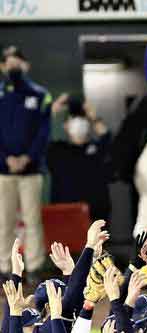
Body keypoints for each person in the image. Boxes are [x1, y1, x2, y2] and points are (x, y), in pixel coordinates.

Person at [0, 46, 51, 281]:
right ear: (2, 67)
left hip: (31, 171)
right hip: (3, 171)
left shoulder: (41, 95)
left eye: (17, 64)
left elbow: (43, 132)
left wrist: (26, 158)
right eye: (8, 64)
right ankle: (5, 269)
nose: (13, 68)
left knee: (32, 221)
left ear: (26, 66)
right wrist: (6, 158)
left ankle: (33, 268)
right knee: (4, 222)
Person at [46, 95, 112, 221]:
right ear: (65, 125)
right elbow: (38, 136)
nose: (78, 122)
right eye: (73, 119)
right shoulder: (57, 150)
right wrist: (52, 111)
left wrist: (93, 116)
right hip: (65, 216)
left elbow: (106, 136)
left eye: (82, 119)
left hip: (96, 215)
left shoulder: (97, 148)